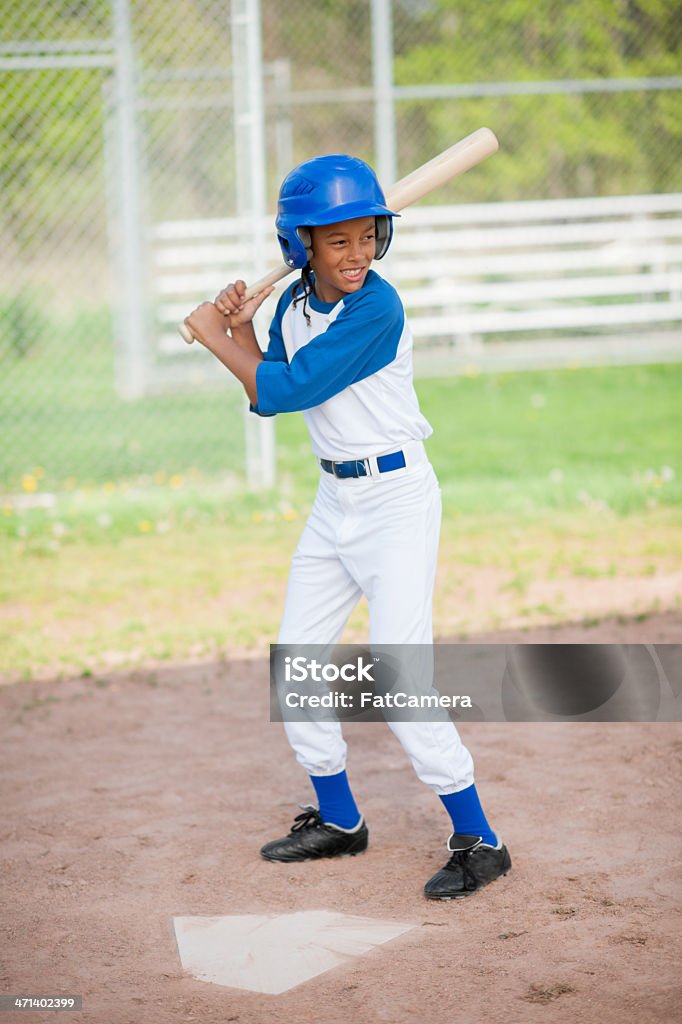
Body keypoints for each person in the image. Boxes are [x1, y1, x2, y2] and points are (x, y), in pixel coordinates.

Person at [184, 154, 511, 900]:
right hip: (336, 503)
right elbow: (270, 383)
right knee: (296, 662)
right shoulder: (295, 304)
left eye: (369, 236)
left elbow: (290, 388)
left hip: (396, 502)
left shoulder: (378, 309)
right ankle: (341, 821)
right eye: (338, 242)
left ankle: (481, 838)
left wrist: (212, 337)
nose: (359, 254)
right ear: (299, 249)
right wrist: (241, 326)